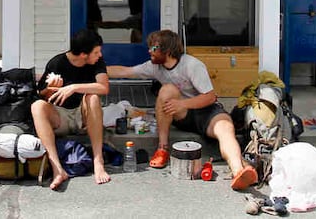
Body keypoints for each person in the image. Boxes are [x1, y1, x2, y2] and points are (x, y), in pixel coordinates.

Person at [106, 29, 258, 190]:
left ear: (168, 50)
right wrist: (97, 70)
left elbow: (210, 97)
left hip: (207, 111)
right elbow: (126, 71)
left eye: (154, 48)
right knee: (166, 90)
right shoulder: (154, 66)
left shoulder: (192, 65)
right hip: (182, 115)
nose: (149, 51)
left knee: (226, 129)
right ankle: (162, 149)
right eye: (150, 47)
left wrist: (183, 104)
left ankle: (238, 172)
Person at [32, 28, 111, 190]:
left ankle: (98, 160)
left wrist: (74, 87)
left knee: (93, 97)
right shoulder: (57, 63)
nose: (100, 56)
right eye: (96, 52)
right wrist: (50, 88)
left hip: (83, 116)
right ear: (83, 54)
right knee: (37, 106)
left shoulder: (97, 62)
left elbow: (104, 87)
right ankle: (57, 169)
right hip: (61, 117)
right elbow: (42, 96)